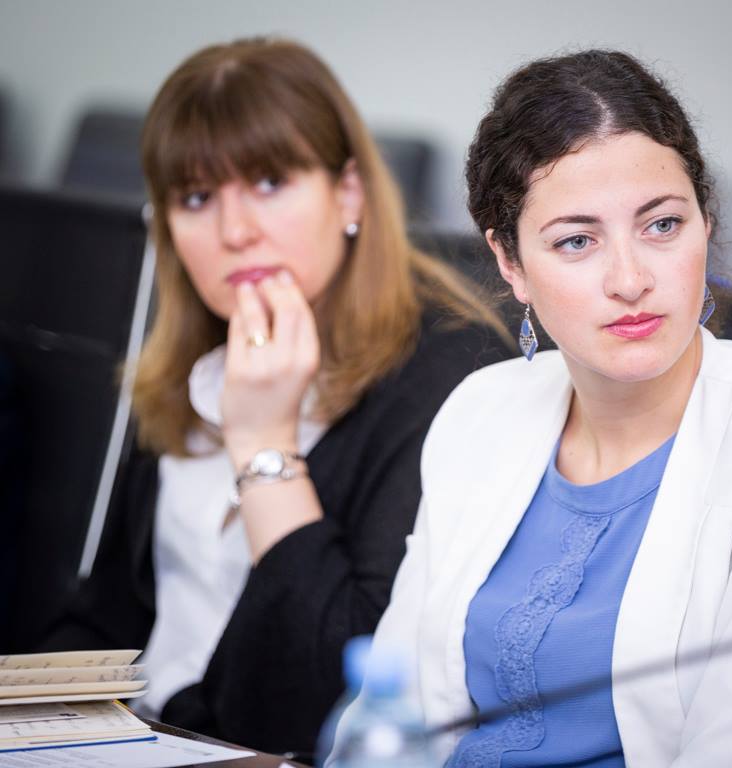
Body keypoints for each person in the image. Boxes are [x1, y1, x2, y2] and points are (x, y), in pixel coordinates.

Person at [346, 50, 732, 766]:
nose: (630, 280)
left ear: (704, 222)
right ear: (510, 263)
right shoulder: (479, 411)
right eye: (577, 241)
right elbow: (388, 715)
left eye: (662, 226)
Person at [41, 37, 512, 754]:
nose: (235, 232)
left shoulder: (451, 376)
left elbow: (333, 700)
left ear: (348, 193)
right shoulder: (198, 357)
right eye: (196, 198)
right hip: (131, 738)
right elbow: (106, 619)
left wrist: (264, 444)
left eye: (268, 183)